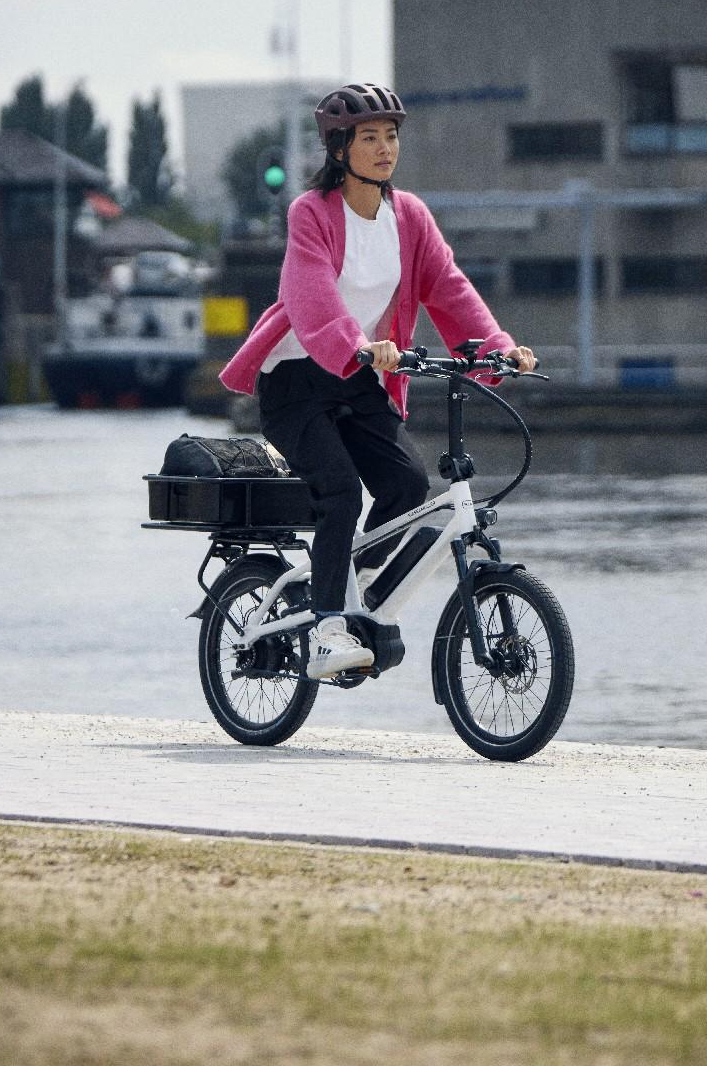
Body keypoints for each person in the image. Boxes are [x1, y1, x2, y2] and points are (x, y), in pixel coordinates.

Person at [219, 84, 536, 678]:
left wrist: (496, 350)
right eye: (370, 138)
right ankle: (326, 630)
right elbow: (311, 295)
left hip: (361, 376)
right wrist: (358, 347)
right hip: (297, 377)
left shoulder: (408, 216)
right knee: (339, 490)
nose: (386, 148)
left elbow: (449, 288)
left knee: (407, 484)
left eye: (391, 136)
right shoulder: (311, 213)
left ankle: (356, 586)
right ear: (340, 148)